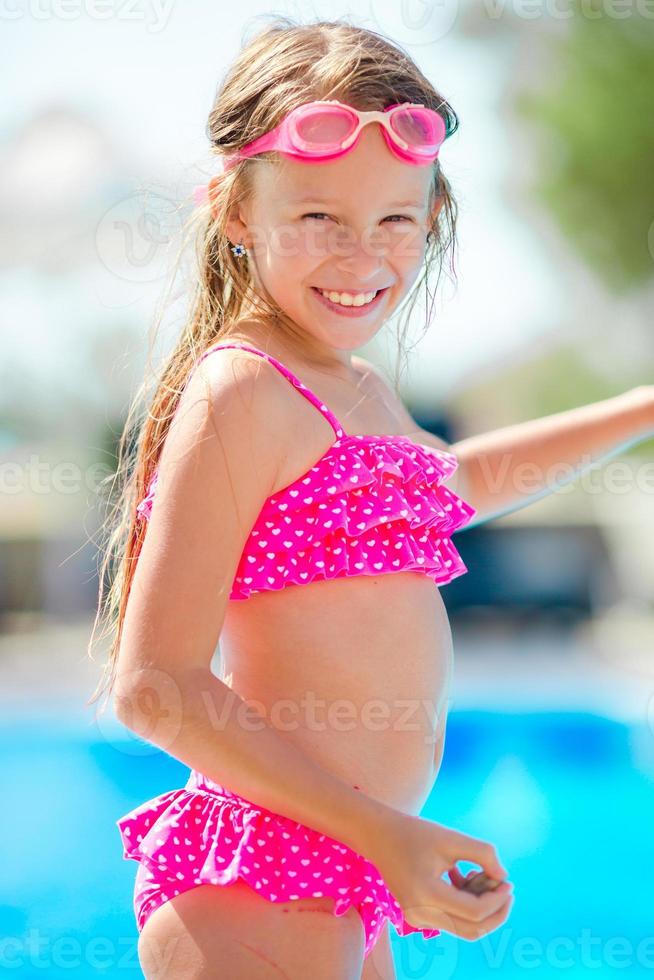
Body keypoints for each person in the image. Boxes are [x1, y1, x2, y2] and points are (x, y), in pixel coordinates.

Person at [87, 16, 653, 980]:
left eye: (395, 219)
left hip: (337, 866)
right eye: (317, 219)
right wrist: (389, 835)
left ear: (432, 215)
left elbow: (458, 481)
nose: (362, 259)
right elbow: (157, 688)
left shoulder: (352, 385)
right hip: (263, 882)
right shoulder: (245, 389)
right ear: (232, 211)